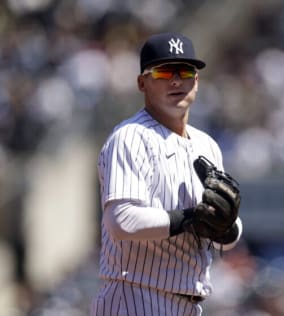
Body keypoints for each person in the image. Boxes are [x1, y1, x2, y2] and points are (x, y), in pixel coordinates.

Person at [90, 32, 243, 316]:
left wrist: (227, 226)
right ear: (141, 82)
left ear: (196, 81)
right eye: (163, 72)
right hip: (135, 296)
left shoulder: (207, 145)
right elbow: (121, 220)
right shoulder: (131, 137)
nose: (176, 81)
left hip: (189, 303)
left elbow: (228, 234)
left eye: (185, 71)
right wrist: (188, 219)